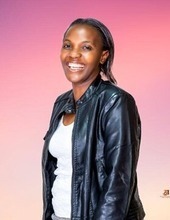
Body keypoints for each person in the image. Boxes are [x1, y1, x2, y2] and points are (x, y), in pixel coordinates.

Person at [42, 18, 145, 220]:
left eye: (86, 47)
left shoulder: (116, 101)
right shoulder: (61, 103)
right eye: (67, 45)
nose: (74, 54)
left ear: (103, 56)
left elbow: (119, 180)